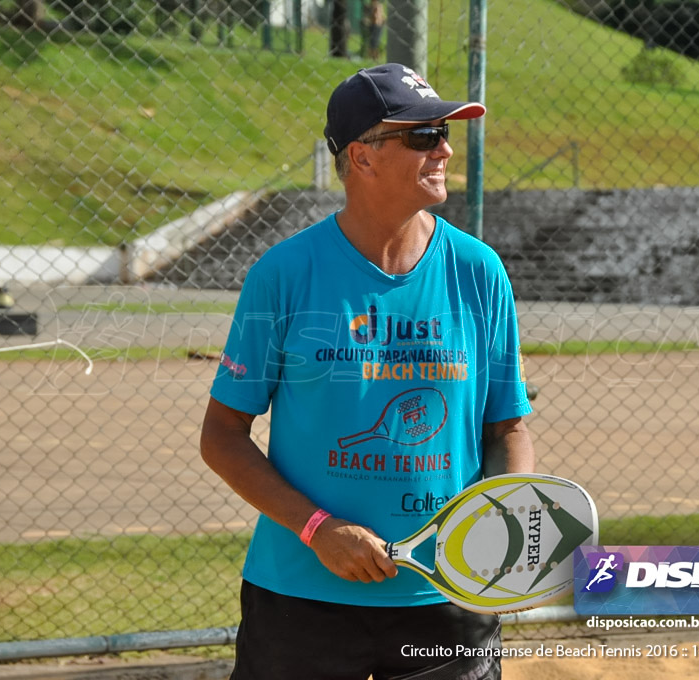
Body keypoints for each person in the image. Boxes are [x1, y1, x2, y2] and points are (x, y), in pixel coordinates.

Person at [200, 63, 535, 680]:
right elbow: (221, 436)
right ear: (361, 157)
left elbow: (506, 430)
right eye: (421, 134)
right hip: (302, 598)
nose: (444, 148)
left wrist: (503, 526)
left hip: (445, 598)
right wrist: (319, 529)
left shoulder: (478, 270)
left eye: (444, 131)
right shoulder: (284, 274)